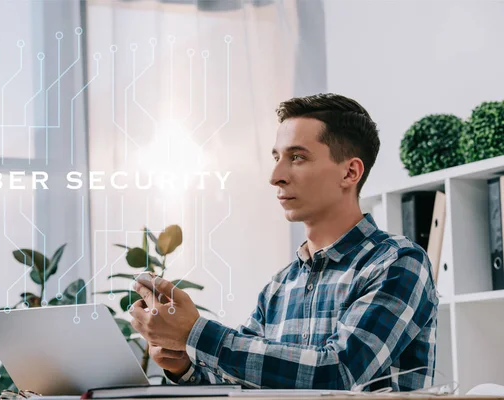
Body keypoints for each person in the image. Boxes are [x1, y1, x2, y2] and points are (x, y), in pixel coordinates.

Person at [129, 93, 438, 391]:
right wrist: (181, 362)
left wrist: (195, 333)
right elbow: (237, 386)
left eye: (297, 157)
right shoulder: (280, 285)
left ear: (350, 172)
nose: (275, 175)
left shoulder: (397, 263)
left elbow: (337, 375)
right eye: (277, 157)